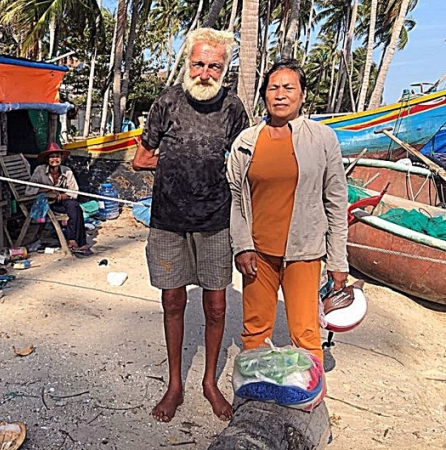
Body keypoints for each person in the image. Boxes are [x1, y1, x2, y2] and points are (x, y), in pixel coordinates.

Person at [133, 28, 249, 422]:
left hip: (217, 222)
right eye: (198, 64)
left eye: (213, 65)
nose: (204, 73)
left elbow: (244, 165)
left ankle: (210, 383)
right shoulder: (167, 101)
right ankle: (175, 384)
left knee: (217, 306)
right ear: (187, 64)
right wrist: (177, 165)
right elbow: (141, 158)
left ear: (224, 68)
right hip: (168, 221)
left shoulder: (234, 109)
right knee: (172, 301)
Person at [226, 59, 348, 365]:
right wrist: (242, 247)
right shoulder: (247, 141)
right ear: (265, 95)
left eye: (288, 88)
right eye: (273, 88)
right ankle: (252, 397)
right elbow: (236, 199)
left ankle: (308, 400)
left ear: (303, 95)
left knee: (305, 332)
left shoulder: (322, 138)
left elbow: (335, 201)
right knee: (255, 330)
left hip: (304, 252)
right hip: (257, 254)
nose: (280, 94)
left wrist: (337, 261)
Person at [26, 142, 92, 256]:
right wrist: (47, 190)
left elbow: (74, 191)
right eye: (52, 156)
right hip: (45, 204)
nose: (54, 159)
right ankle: (78, 242)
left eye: (57, 156)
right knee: (74, 208)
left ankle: (74, 241)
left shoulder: (67, 170)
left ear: (61, 158)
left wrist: (61, 196)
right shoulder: (40, 170)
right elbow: (29, 190)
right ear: (47, 159)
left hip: (61, 200)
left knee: (75, 207)